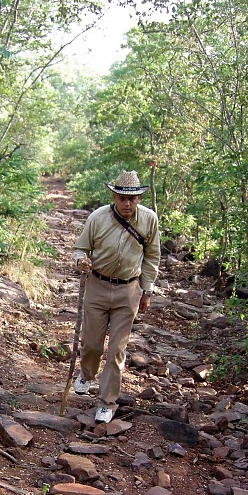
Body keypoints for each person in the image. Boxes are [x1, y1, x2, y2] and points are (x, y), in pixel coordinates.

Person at [72, 170, 161, 423]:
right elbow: (80, 248)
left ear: (139, 198)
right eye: (122, 198)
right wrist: (81, 261)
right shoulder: (98, 217)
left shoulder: (149, 220)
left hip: (129, 290)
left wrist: (147, 290)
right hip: (97, 286)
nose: (127, 203)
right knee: (91, 344)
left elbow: (152, 257)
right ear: (113, 195)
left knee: (116, 351)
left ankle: (107, 402)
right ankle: (87, 374)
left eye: (132, 199)